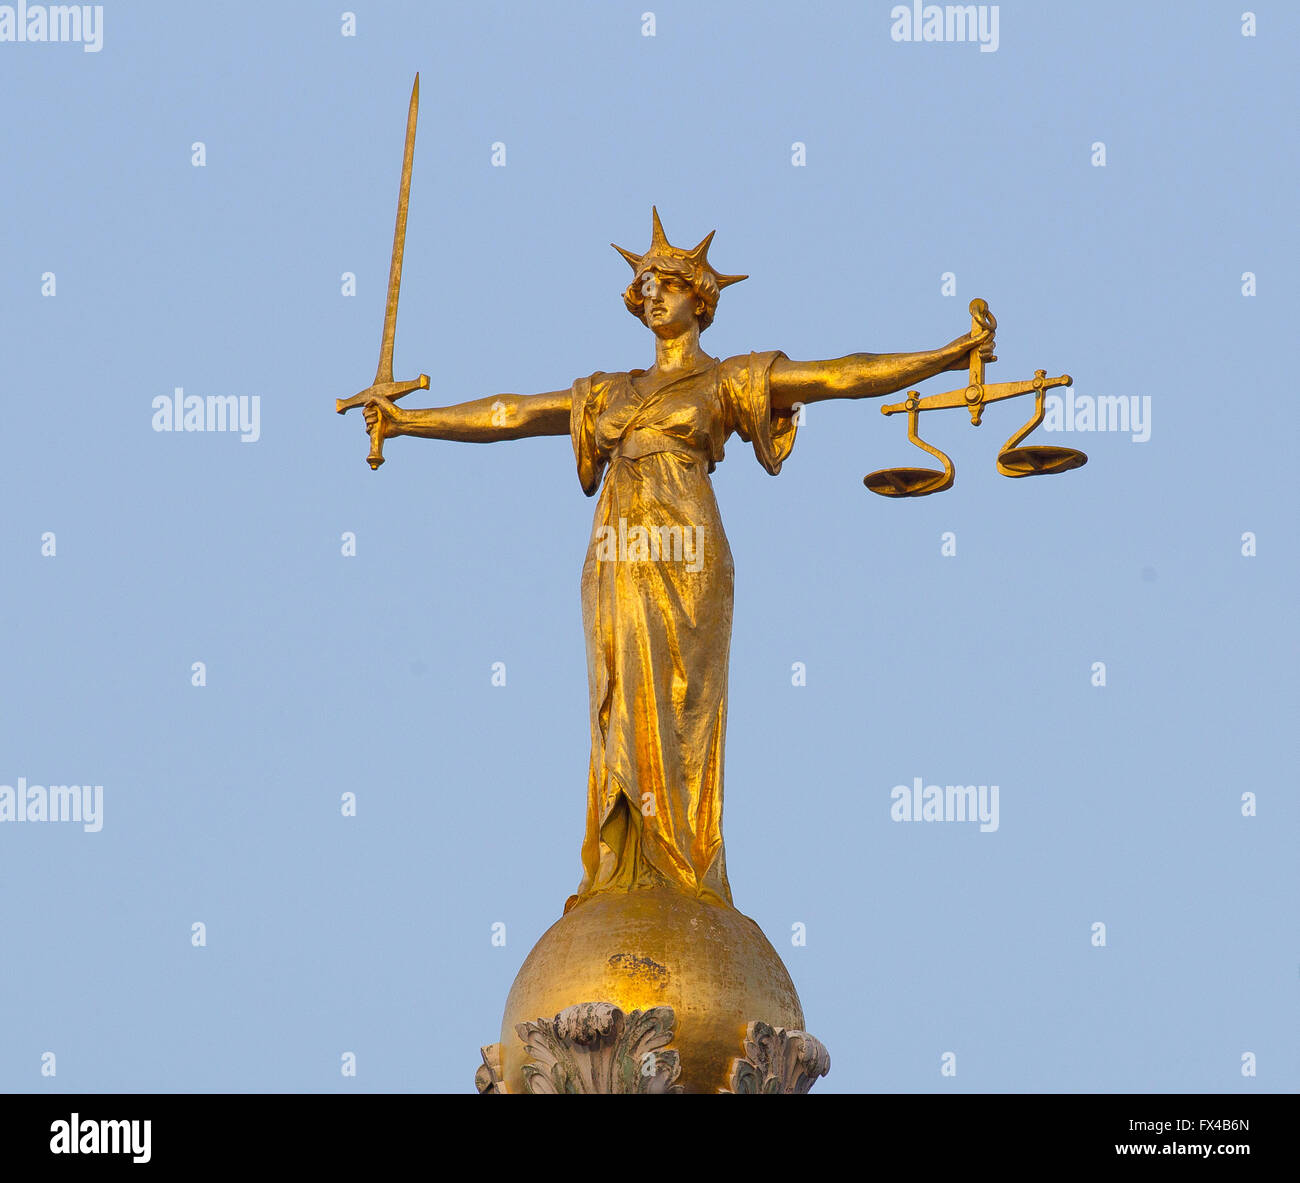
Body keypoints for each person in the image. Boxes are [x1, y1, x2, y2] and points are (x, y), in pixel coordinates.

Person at [363, 208, 993, 913]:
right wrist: (411, 420)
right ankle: (625, 854)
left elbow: (839, 376)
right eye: (643, 285)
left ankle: (685, 856)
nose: (652, 294)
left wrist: (945, 354)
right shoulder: (608, 391)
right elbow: (513, 413)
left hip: (686, 549)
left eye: (667, 282)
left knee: (682, 698)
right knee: (621, 687)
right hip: (618, 549)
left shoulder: (728, 380)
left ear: (702, 299)